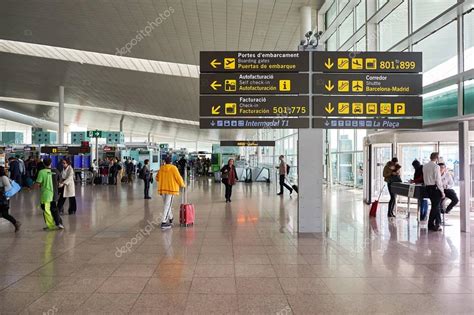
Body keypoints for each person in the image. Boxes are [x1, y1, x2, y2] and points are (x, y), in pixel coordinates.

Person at [156, 156, 185, 230]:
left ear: (164, 161)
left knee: (167, 204)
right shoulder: (173, 168)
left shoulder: (161, 168)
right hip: (171, 189)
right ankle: (164, 222)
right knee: (167, 205)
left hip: (163, 189)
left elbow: (157, 178)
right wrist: (182, 185)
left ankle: (171, 217)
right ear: (171, 162)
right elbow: (178, 177)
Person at [35, 158, 64, 230]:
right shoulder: (56, 171)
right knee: (54, 208)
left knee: (46, 210)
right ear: (51, 163)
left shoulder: (41, 172)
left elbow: (37, 184)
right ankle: (59, 223)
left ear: (43, 164)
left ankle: (51, 225)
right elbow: (60, 184)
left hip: (46, 195)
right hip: (54, 194)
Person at [423, 152, 444, 231]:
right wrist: (442, 191)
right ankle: (430, 224)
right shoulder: (436, 167)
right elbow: (438, 180)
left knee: (436, 206)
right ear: (437, 158)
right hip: (435, 188)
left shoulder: (424, 166)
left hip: (428, 188)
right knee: (435, 207)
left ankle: (438, 223)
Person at [0, 166, 21, 232]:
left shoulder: (3, 177)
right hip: (2, 198)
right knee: (4, 214)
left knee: (4, 214)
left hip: (3, 199)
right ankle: (16, 223)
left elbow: (8, 187)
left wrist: (2, 191)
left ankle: (16, 223)